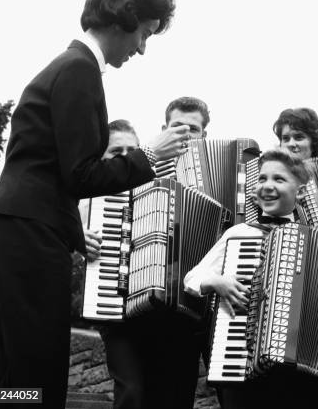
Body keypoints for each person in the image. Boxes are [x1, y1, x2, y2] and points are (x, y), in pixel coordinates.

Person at [0, 0, 184, 408]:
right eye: (144, 33)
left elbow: (46, 170)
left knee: (8, 371)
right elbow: (81, 175)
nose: (142, 48)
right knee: (37, 373)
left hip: (11, 228)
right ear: (126, 18)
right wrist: (149, 154)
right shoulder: (80, 71)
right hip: (27, 237)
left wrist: (73, 233)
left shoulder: (67, 67)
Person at [185, 148, 318, 409]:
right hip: (243, 362)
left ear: (299, 192)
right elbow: (193, 277)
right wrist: (217, 282)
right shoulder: (240, 234)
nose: (267, 185)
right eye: (263, 178)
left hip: (303, 375)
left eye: (279, 179)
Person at [84, 100, 210, 409]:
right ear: (163, 130)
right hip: (121, 302)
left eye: (193, 129)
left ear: (204, 135)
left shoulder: (213, 179)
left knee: (175, 398)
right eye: (176, 127)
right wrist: (78, 235)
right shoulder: (120, 179)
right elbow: (71, 222)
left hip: (182, 312)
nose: (184, 134)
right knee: (132, 393)